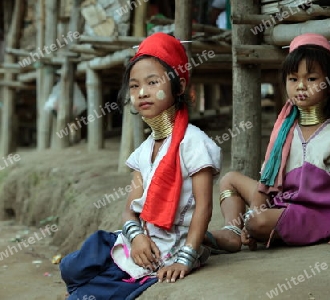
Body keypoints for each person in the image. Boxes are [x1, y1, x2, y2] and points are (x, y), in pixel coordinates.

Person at [60, 32, 221, 299]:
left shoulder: (194, 144)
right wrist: (136, 238)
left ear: (179, 86)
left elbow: (204, 206)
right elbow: (128, 210)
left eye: (152, 82)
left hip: (169, 247)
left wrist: (186, 258)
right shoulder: (143, 151)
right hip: (141, 240)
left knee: (90, 292)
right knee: (72, 266)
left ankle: (206, 243)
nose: (142, 92)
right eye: (134, 86)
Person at [204, 33, 330, 253]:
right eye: (293, 78)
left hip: (315, 213)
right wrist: (254, 214)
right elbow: (264, 183)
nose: (301, 86)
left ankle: (259, 228)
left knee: (258, 221)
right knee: (230, 180)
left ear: (329, 84)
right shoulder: (284, 130)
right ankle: (232, 231)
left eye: (311, 79)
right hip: (281, 202)